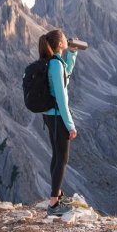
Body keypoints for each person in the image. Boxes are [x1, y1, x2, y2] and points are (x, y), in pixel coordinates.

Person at [38, 29, 78, 216]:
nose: (66, 39)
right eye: (64, 39)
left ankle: (58, 193)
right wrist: (70, 125)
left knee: (56, 155)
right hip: (56, 115)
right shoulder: (55, 64)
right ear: (60, 44)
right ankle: (54, 203)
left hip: (50, 114)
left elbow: (65, 75)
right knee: (62, 158)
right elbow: (62, 98)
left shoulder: (54, 62)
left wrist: (73, 54)